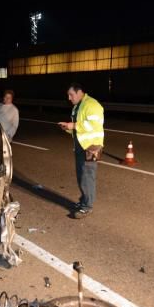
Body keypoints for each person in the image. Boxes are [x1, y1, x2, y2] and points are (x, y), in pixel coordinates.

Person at [58, 82, 104, 219]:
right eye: (68, 95)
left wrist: (73, 125)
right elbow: (79, 128)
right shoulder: (78, 106)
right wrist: (69, 128)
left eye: (71, 95)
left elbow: (93, 125)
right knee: (81, 176)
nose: (69, 98)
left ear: (79, 92)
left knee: (87, 177)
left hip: (91, 147)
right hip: (80, 146)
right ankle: (84, 200)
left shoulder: (92, 105)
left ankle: (87, 207)